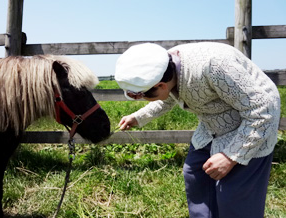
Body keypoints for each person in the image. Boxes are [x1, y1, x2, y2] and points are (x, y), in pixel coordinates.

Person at [114, 42, 280, 218]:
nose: (143, 99)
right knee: (195, 175)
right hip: (212, 127)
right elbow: (167, 97)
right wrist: (138, 117)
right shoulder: (166, 67)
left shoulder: (214, 66)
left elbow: (263, 110)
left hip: (252, 127)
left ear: (161, 85)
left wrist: (230, 156)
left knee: (233, 196)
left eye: (143, 95)